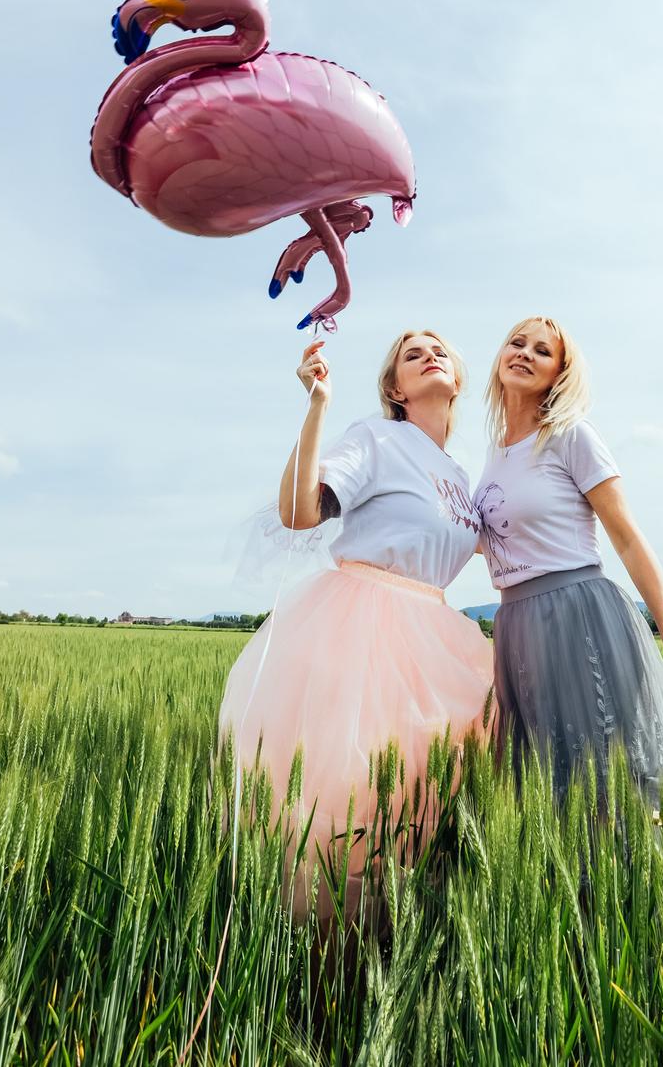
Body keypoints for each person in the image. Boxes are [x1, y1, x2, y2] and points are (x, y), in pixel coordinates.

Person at [218, 330, 493, 917]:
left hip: (437, 636)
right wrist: (318, 405)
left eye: (438, 348)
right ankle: (329, 949)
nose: (429, 355)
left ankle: (406, 935)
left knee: (426, 798)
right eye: (411, 354)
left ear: (459, 379)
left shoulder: (462, 476)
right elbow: (299, 511)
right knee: (355, 794)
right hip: (366, 627)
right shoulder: (378, 437)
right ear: (396, 388)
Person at [473, 315, 663, 835]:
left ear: (559, 374)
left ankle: (632, 901)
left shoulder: (570, 436)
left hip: (577, 616)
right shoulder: (493, 456)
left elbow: (627, 537)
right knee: (544, 784)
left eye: (542, 350)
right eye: (516, 343)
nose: (525, 354)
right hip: (516, 629)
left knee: (604, 775)